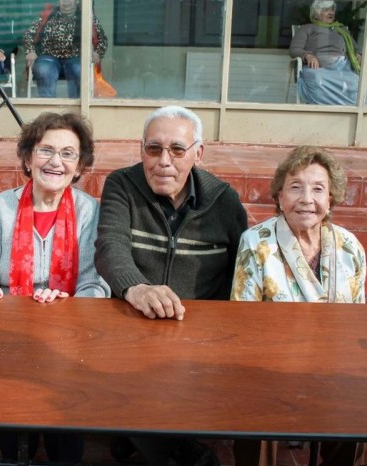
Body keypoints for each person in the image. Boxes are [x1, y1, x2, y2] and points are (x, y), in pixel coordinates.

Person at [95, 105, 247, 465]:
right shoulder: (122, 184)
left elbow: (240, 266)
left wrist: (221, 328)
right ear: (141, 149)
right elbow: (110, 247)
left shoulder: (223, 200)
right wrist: (137, 289)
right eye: (153, 149)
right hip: (132, 320)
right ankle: (171, 447)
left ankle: (139, 437)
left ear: (198, 153)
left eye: (177, 150)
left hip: (196, 330)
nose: (164, 160)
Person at [0, 111, 110, 462]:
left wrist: (65, 304)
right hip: (9, 346)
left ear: (80, 166)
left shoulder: (89, 211)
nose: (56, 162)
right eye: (45, 150)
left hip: (68, 347)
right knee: (15, 447)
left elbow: (95, 287)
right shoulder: (0, 208)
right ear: (27, 158)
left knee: (66, 446)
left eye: (68, 153)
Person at [230, 145, 366, 466]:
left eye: (318, 189)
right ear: (279, 197)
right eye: (296, 187)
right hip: (270, 365)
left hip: (333, 366)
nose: (307, 198)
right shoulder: (257, 242)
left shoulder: (350, 247)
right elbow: (242, 321)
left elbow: (361, 320)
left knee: (357, 414)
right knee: (255, 417)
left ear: (331, 199)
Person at [21, 0, 107, 98]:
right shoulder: (47, 14)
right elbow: (28, 35)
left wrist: (97, 53)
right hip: (48, 58)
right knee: (43, 69)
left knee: (80, 70)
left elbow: (102, 39)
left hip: (76, 58)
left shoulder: (86, 15)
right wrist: (30, 51)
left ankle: (76, 109)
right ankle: (48, 108)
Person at [289, 0, 362, 105]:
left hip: (343, 68)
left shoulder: (341, 30)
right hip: (318, 68)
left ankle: (348, 112)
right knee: (317, 79)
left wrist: (359, 54)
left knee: (357, 82)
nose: (331, 12)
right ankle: (323, 111)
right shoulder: (307, 28)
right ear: (316, 14)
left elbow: (356, 48)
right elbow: (295, 49)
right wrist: (308, 56)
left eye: (332, 9)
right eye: (326, 10)